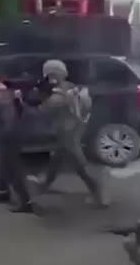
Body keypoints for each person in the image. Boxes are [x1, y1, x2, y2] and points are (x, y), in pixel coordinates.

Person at [22, 60, 109, 207]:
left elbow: (40, 111)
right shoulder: (70, 87)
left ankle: (100, 196)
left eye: (48, 74)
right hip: (73, 129)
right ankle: (43, 185)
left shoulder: (59, 96)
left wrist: (21, 102)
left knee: (81, 167)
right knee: (56, 159)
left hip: (67, 133)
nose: (46, 77)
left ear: (53, 75)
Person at [0, 70, 34, 213]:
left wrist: (1, 141)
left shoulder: (3, 98)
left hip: (9, 140)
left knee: (11, 171)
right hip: (6, 139)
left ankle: (26, 202)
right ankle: (5, 193)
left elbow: (9, 124)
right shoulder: (2, 95)